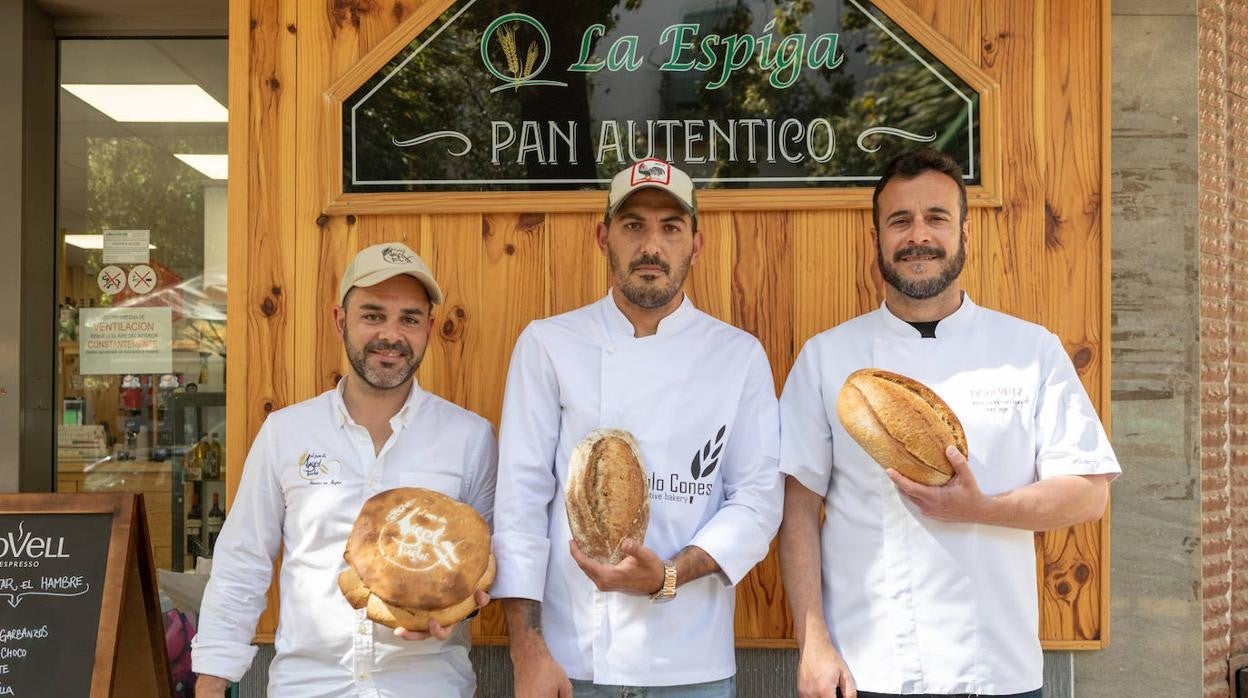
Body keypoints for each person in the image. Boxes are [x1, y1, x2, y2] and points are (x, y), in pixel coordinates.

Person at [777, 148, 1121, 698]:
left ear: (965, 233)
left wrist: (981, 509)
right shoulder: (826, 359)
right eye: (899, 221)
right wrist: (812, 643)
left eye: (936, 218)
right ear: (876, 240)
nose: (919, 235)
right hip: (867, 671)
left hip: (999, 669)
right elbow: (796, 511)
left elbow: (1088, 495)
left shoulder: (1030, 350)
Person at [492, 158, 783, 697]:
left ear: (696, 244)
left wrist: (668, 574)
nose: (652, 245)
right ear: (604, 236)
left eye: (671, 227)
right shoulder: (548, 344)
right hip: (571, 660)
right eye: (633, 226)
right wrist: (527, 650)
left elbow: (758, 500)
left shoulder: (737, 356)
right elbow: (519, 504)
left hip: (692, 662)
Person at [192, 242, 497, 697]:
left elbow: (487, 564)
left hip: (427, 686)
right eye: (372, 315)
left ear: (430, 328)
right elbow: (242, 562)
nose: (391, 334)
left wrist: (457, 611)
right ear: (341, 321)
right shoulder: (286, 432)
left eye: (409, 318)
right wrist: (213, 681)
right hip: (308, 687)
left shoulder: (470, 437)